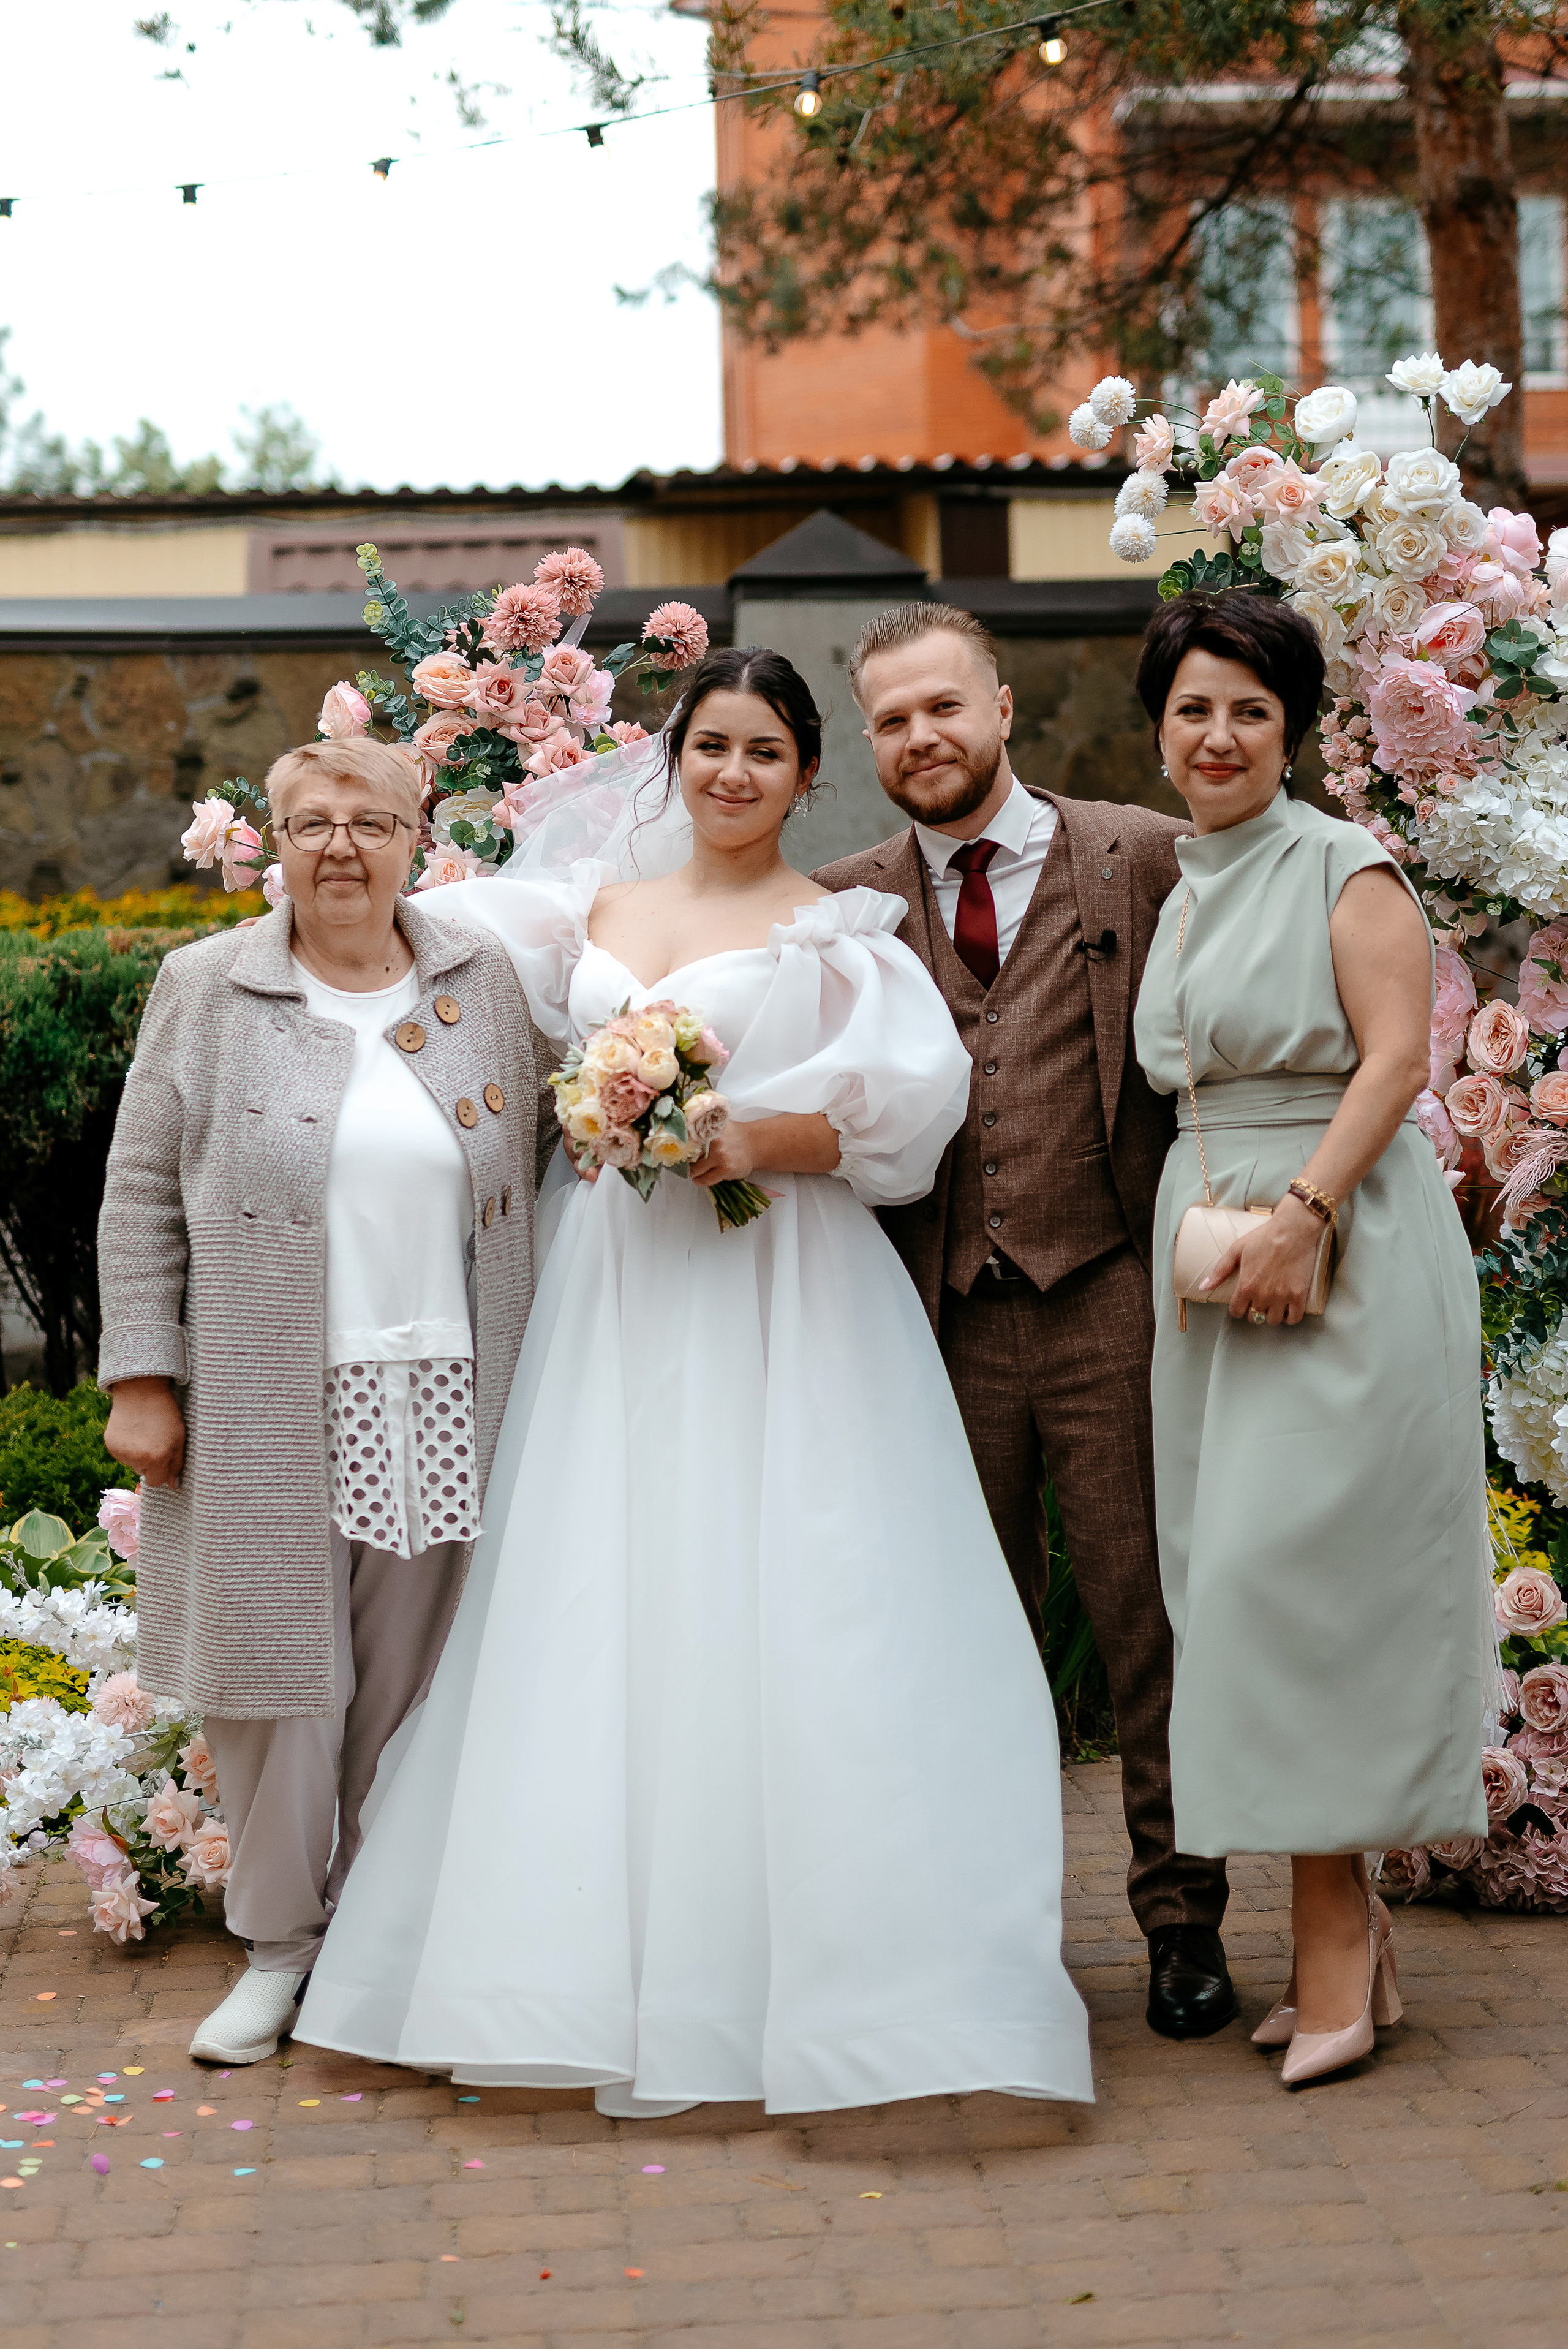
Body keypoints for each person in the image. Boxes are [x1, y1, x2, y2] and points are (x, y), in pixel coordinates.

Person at [294, 646, 1094, 2116]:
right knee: (604, 1585)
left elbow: (909, 1118)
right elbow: (390, 932)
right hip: (616, 1281)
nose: (733, 774)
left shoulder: (835, 931)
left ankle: (801, 1968)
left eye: (766, 754)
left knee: (792, 1584)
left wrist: (743, 1136)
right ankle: (570, 1957)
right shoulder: (577, 917)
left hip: (783, 1284)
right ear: (674, 758)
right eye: (710, 745)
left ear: (804, 775)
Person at [815, 603, 1234, 2041]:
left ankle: (1182, 1924)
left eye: (943, 706)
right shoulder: (843, 902)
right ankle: (986, 1933)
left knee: (1147, 1625)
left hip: (1111, 1290)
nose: (921, 737)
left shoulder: (1144, 855)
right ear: (867, 742)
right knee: (960, 1640)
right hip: (931, 1319)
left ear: (1000, 704)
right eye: (891, 720)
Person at [97, 735, 549, 2067]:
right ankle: (279, 1949)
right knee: (277, 1685)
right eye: (310, 823)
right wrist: (142, 1377)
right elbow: (137, 1191)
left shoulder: (485, 986)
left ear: (421, 837)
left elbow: (538, 1173)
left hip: (450, 1386)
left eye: (370, 820)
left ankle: (376, 1936)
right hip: (260, 1387)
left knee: (409, 1682)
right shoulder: (208, 988)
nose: (340, 846)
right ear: (273, 843)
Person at [1130, 590, 1489, 2087]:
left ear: (1289, 731)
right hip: (1214, 1257)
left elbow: (1399, 1056)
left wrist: (1302, 1213)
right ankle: (1354, 1945)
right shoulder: (1182, 878)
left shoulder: (1347, 865)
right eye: (1192, 709)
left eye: (1248, 711)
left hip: (1332, 1238)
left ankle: (1335, 1938)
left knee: (1306, 1585)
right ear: (1157, 730)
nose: (1217, 736)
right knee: (1228, 1583)